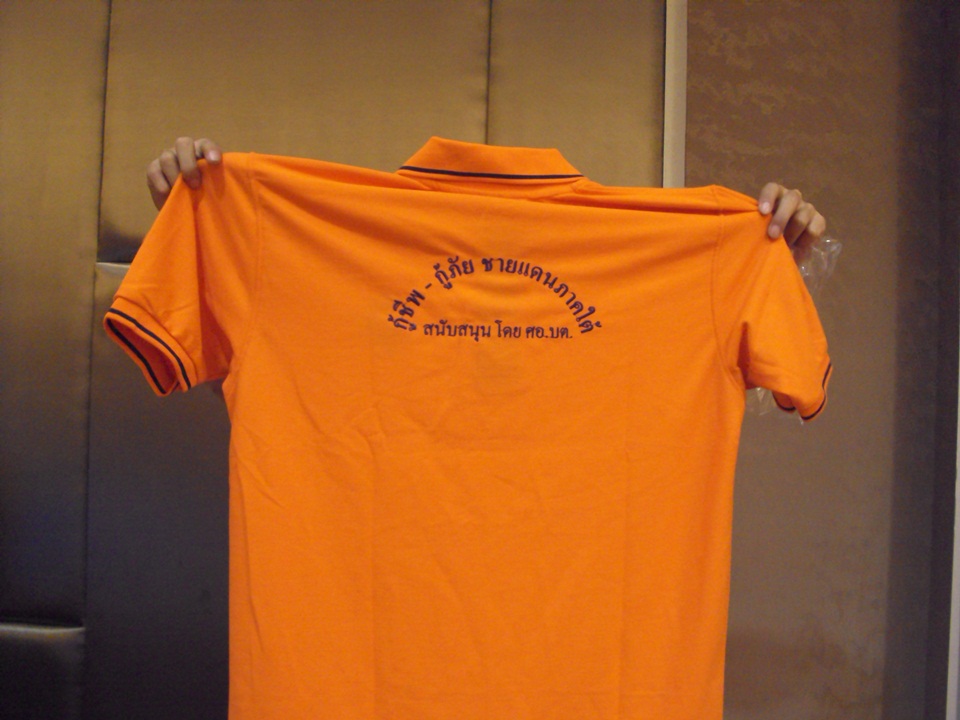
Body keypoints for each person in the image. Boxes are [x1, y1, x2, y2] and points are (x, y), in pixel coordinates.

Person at [146, 136, 828, 259]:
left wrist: (766, 259)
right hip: (367, 610)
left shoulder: (693, 252)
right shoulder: (304, 242)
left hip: (586, 614)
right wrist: (205, 228)